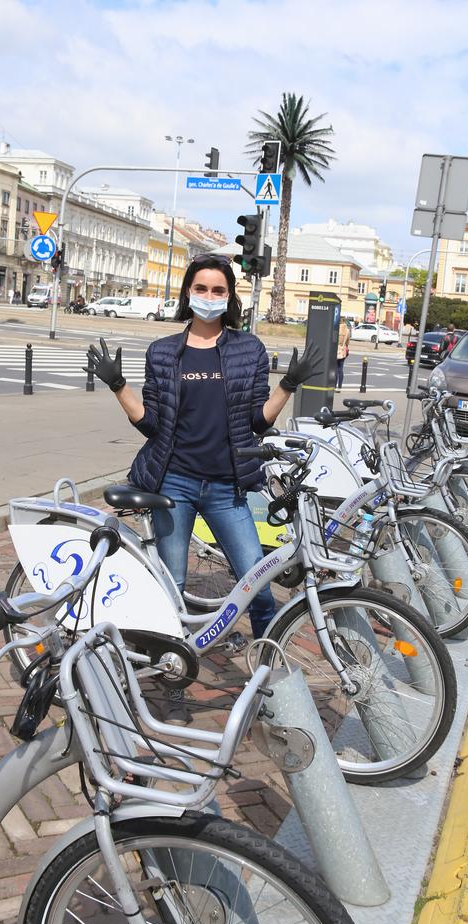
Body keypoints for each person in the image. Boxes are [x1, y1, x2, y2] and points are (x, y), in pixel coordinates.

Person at [86, 254, 322, 722]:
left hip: (226, 484)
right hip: (173, 482)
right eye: (202, 288)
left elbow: (257, 421)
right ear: (187, 292)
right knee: (172, 588)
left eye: (218, 290)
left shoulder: (248, 350)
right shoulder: (163, 352)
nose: (209, 298)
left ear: (230, 297)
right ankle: (173, 676)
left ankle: (273, 676)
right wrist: (118, 387)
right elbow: (152, 425)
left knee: (256, 579)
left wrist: (289, 384)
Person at [335, 318, 351, 392]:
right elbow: (348, 342)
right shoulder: (347, 331)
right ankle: (340, 386)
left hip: (336, 350)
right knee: (340, 369)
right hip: (343, 350)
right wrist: (344, 345)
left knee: (335, 368)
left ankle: (334, 385)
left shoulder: (337, 329)